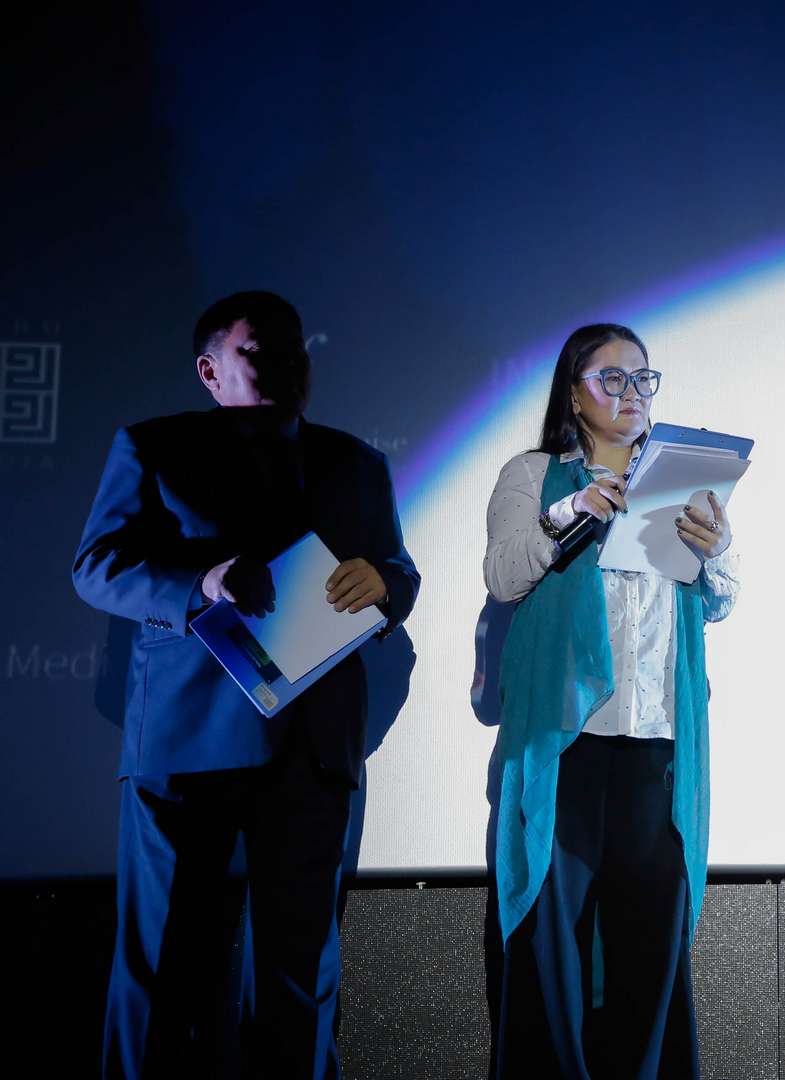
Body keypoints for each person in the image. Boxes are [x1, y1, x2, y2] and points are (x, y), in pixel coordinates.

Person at [72, 290, 420, 1078]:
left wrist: (386, 585)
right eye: (261, 351)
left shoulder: (356, 462)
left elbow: (396, 570)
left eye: (297, 350)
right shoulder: (154, 446)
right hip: (186, 742)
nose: (289, 365)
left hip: (313, 746)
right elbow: (96, 567)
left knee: (298, 975)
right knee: (163, 968)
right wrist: (201, 583)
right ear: (209, 370)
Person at [483, 323, 738, 1079]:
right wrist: (573, 512)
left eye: (642, 378)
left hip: (656, 744)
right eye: (612, 379)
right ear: (574, 393)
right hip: (568, 743)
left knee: (649, 948)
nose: (632, 394)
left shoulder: (681, 479)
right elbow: (503, 576)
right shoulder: (535, 475)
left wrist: (716, 551)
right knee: (552, 945)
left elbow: (719, 602)